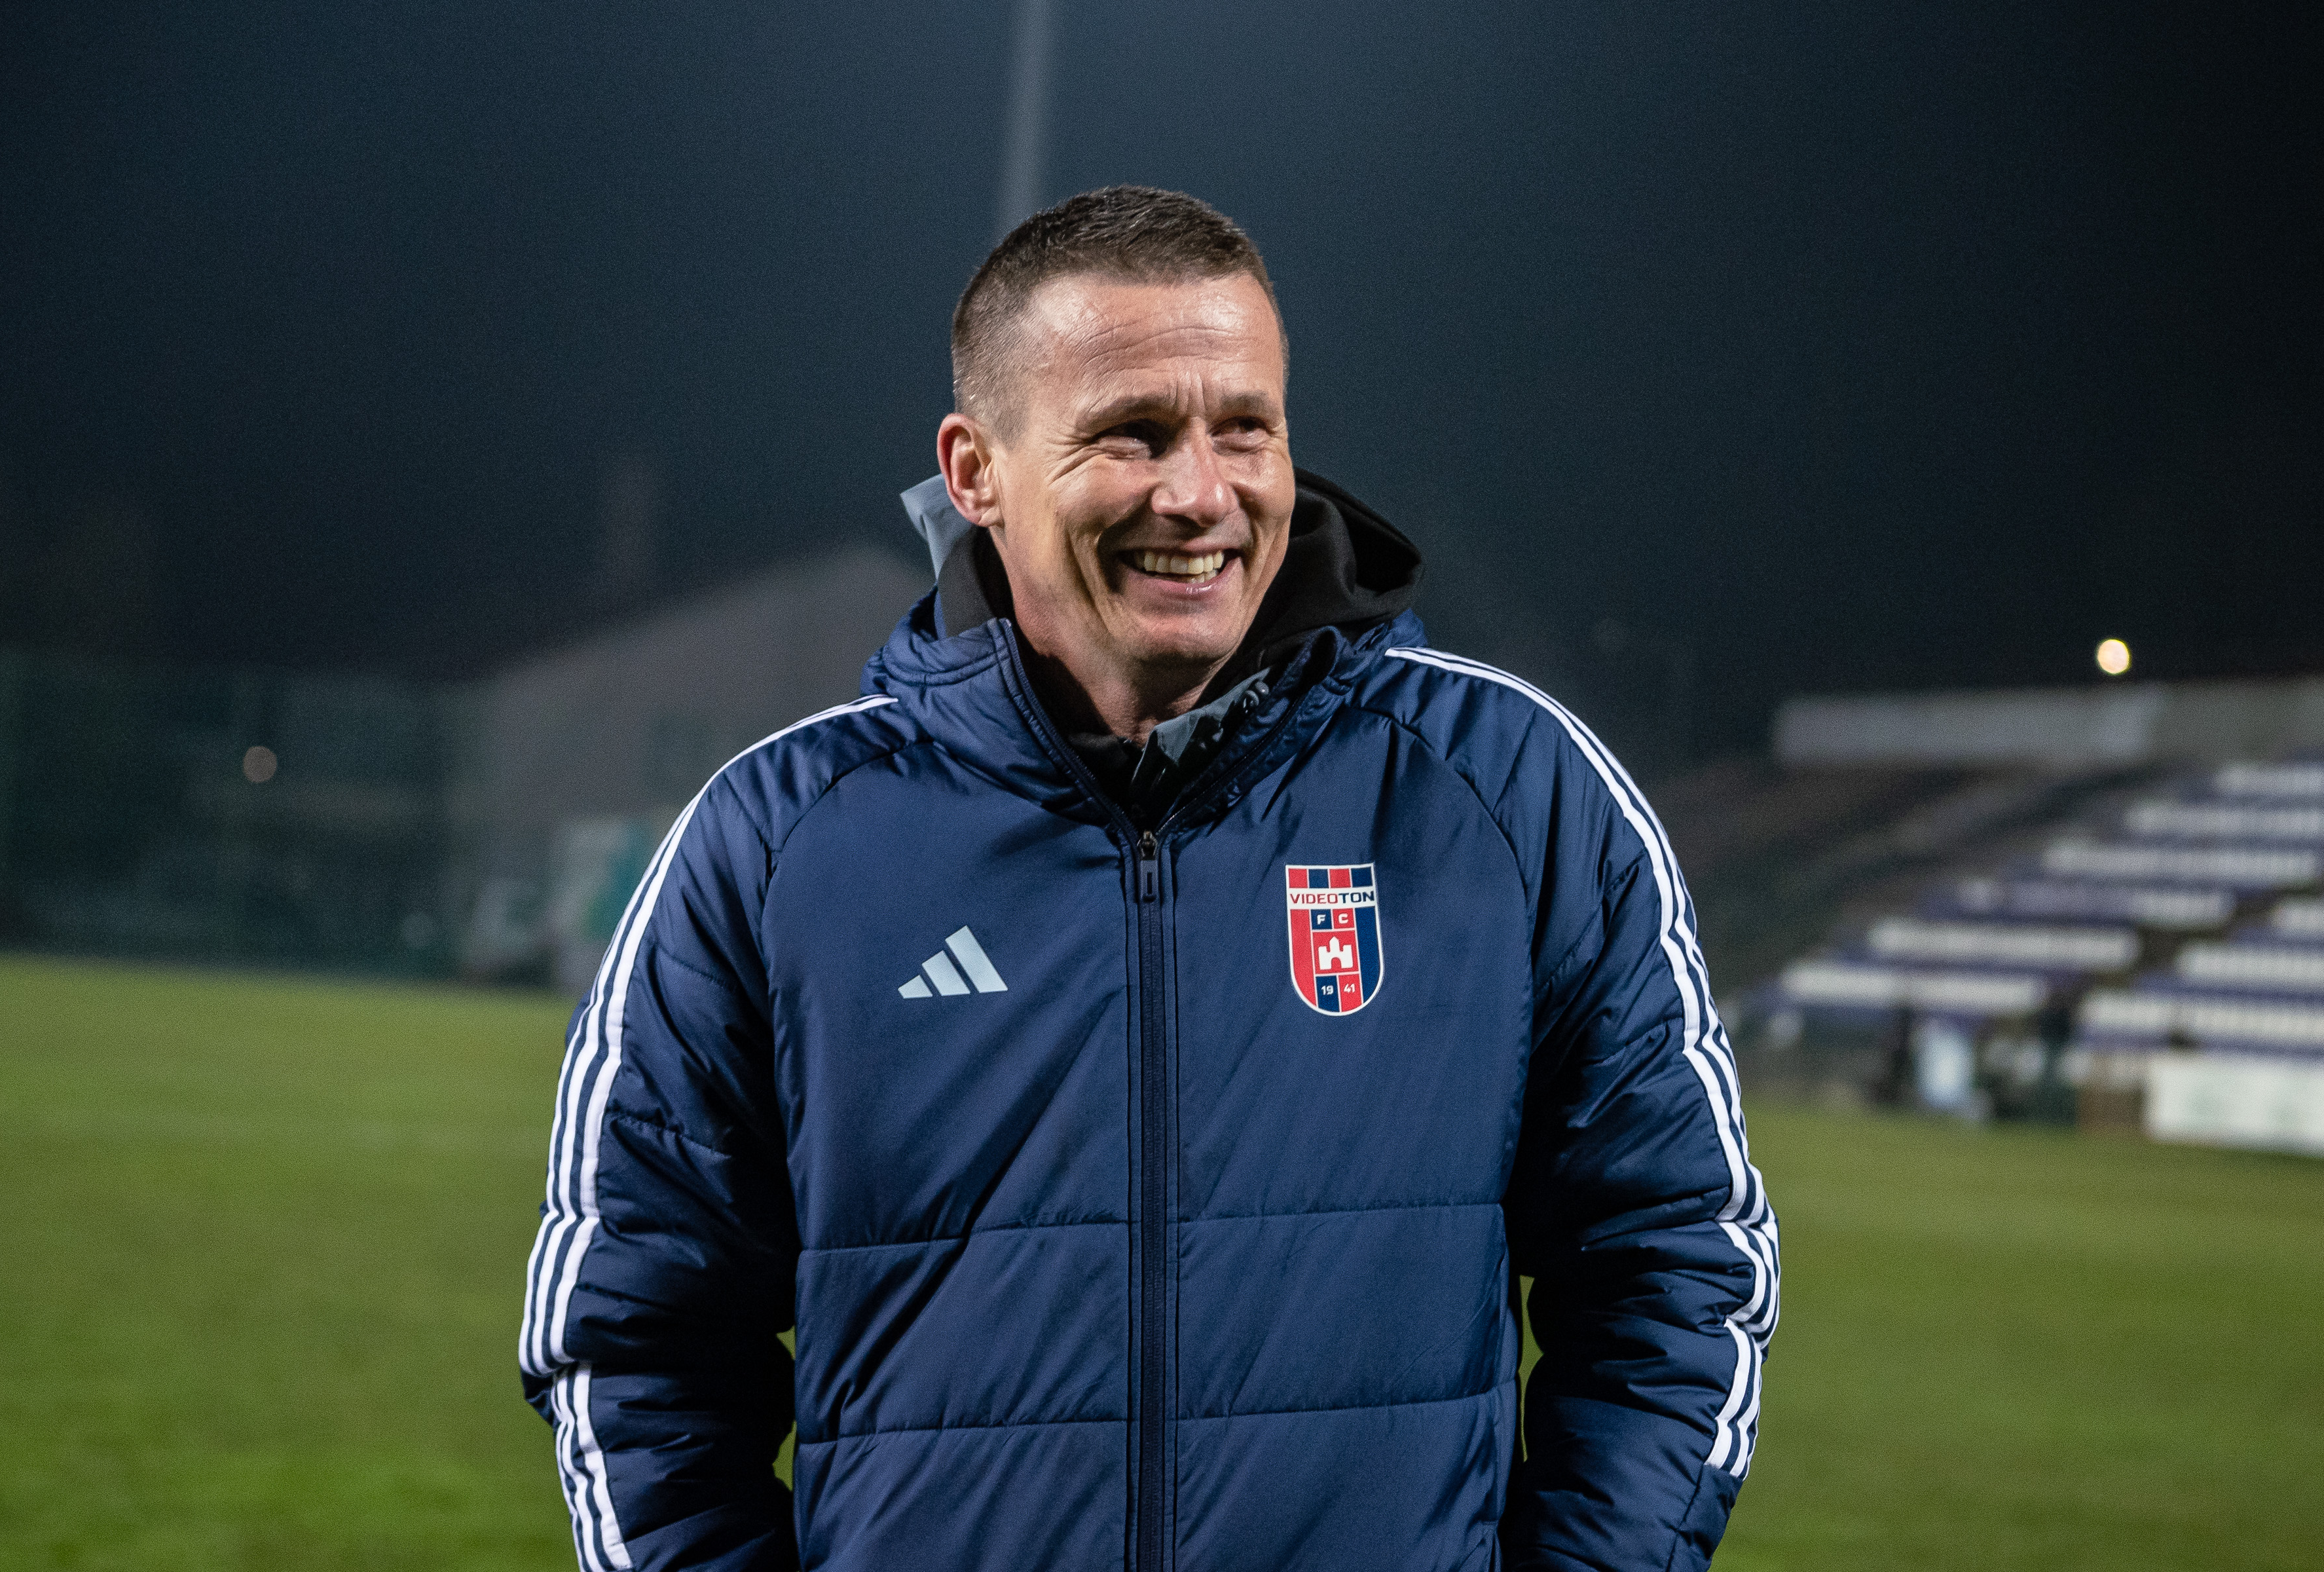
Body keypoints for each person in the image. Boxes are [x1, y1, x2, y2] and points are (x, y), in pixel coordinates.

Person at [520, 185, 1777, 1572]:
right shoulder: (776, 845)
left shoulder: (1513, 797)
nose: (1200, 493)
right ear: (976, 471)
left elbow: (1679, 1265)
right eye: (1132, 434)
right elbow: (632, 1343)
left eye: (1246, 427)